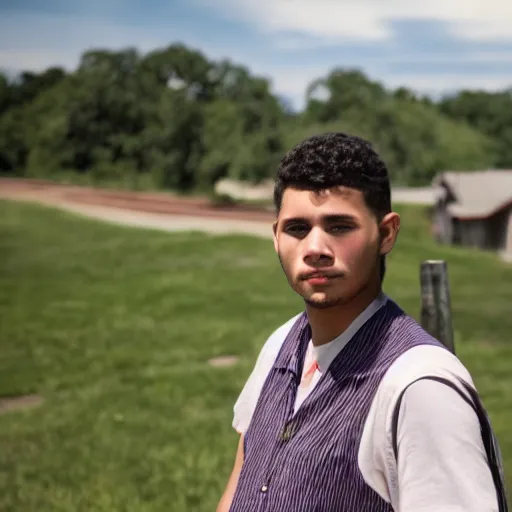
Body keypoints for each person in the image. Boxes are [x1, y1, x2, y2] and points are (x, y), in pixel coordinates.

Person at [216, 133, 507, 512]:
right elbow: (242, 483)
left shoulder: (419, 387)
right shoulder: (282, 344)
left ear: (386, 233)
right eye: (297, 228)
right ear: (276, 236)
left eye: (339, 227)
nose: (315, 248)